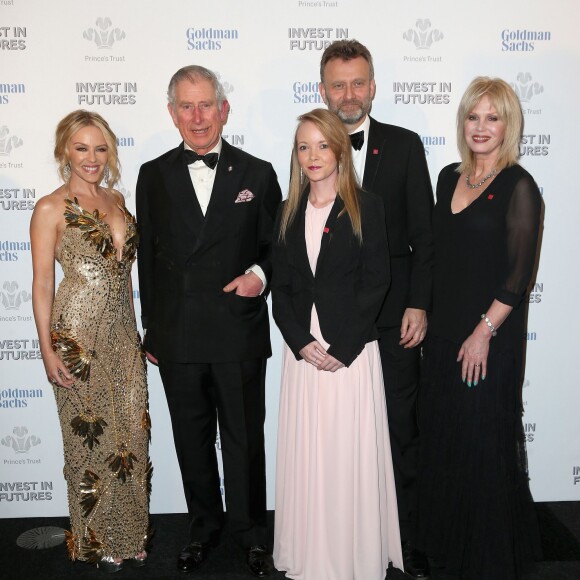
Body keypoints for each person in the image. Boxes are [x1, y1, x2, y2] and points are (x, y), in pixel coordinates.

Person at [136, 65, 281, 577]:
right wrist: (151, 326)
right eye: (186, 106)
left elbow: (276, 247)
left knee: (244, 439)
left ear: (224, 109)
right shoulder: (152, 175)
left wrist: (259, 277)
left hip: (237, 327)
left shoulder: (258, 172)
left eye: (206, 105)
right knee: (190, 439)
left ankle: (249, 532)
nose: (198, 117)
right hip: (178, 334)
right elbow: (149, 258)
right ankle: (202, 528)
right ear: (172, 112)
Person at [415, 77, 543, 579]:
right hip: (444, 336)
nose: (481, 127)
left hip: (487, 340)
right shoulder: (449, 176)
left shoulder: (519, 186)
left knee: (483, 444)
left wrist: (482, 331)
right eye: (474, 116)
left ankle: (486, 558)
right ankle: (447, 544)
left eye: (493, 117)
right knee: (445, 440)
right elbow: (436, 258)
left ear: (508, 125)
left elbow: (519, 274)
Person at [272, 108, 403, 580]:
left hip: (349, 354)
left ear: (340, 149)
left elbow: (378, 281)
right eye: (303, 147)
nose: (312, 156)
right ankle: (311, 553)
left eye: (322, 145)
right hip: (305, 357)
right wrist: (301, 341)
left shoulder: (368, 206)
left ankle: (353, 555)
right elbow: (282, 289)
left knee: (347, 456)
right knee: (310, 457)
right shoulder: (287, 210)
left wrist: (342, 349)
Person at [318, 39, 433, 578]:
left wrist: (418, 303)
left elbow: (424, 237)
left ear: (373, 86)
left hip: (393, 319)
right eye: (338, 84)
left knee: (400, 429)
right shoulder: (309, 150)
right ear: (323, 90)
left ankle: (407, 542)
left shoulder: (405, 146)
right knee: (342, 439)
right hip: (333, 322)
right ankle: (347, 540)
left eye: (358, 82)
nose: (349, 94)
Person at [30, 110, 151, 573]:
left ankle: (131, 531)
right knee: (89, 440)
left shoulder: (118, 199)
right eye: (82, 148)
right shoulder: (50, 207)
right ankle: (96, 540)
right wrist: (46, 349)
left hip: (123, 335)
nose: (92, 158)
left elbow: (125, 280)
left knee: (132, 435)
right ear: (65, 151)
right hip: (76, 339)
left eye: (100, 148)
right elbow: (42, 285)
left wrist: (136, 334)